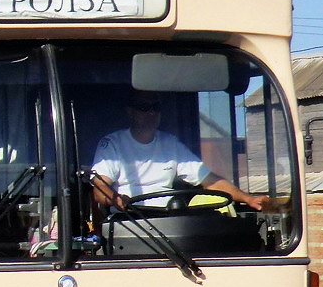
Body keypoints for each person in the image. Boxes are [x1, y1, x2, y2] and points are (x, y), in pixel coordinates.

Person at [91, 89, 268, 212]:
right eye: (144, 107)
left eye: (156, 107)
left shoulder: (170, 143)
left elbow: (210, 181)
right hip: (128, 221)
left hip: (169, 220)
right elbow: (100, 188)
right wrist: (116, 199)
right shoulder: (112, 143)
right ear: (130, 112)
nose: (152, 113)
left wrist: (248, 199)